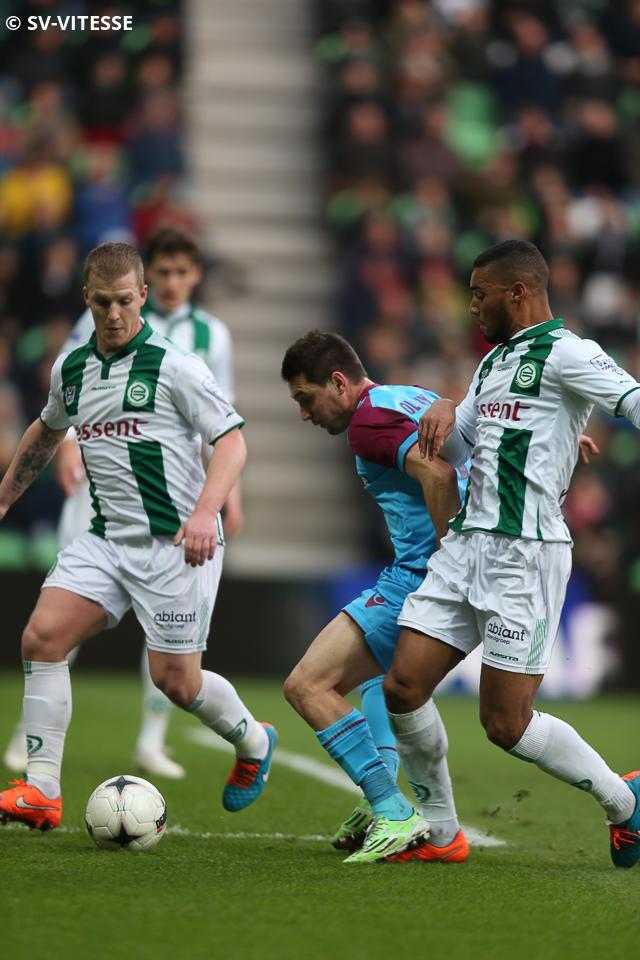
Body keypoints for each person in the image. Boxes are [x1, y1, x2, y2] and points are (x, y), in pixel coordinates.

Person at [381, 239, 640, 869]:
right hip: (465, 547)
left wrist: (565, 436)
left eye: (480, 294)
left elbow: (632, 401)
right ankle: (442, 833)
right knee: (403, 686)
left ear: (517, 292)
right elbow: (464, 441)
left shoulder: (570, 352)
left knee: (505, 724)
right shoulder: (493, 362)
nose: (471, 306)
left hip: (525, 557)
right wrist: (445, 405)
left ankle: (625, 803)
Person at [0, 242, 276, 831]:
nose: (114, 314)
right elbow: (47, 431)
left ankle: (254, 741)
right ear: (86, 299)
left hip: (176, 544)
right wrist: (4, 496)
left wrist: (205, 513)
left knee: (176, 682)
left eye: (125, 300)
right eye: (103, 302)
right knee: (42, 638)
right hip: (106, 539)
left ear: (143, 296)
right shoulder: (72, 368)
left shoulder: (176, 365)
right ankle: (41, 791)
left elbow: (232, 443)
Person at [281, 330, 469, 864]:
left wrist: (450, 558)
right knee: (375, 681)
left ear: (339, 383)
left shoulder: (367, 421)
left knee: (306, 686)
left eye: (306, 398)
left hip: (419, 577)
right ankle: (378, 804)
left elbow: (439, 475)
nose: (304, 414)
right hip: (437, 573)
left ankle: (392, 808)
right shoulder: (405, 396)